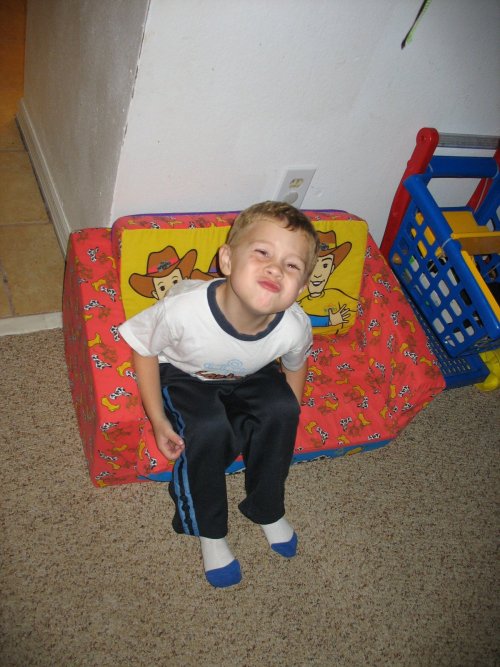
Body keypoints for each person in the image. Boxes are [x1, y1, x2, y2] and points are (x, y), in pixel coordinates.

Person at [118, 201, 320, 588]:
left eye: (292, 265)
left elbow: (295, 367)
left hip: (251, 370)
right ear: (226, 260)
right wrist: (158, 420)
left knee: (282, 411)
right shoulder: (183, 311)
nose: (276, 269)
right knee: (207, 430)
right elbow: (143, 348)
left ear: (301, 287)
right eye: (262, 253)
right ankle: (210, 531)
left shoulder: (294, 326)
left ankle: (266, 507)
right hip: (184, 371)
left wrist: (287, 414)